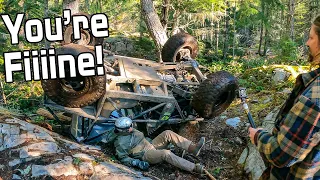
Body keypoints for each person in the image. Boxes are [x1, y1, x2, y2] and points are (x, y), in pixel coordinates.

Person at [248, 15, 320, 180]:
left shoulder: (315, 97)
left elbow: (281, 154)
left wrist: (258, 136)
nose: (308, 43)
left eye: (311, 37)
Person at [104, 117, 206, 174]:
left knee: (167, 133)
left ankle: (193, 148)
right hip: (145, 154)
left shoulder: (128, 131)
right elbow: (122, 157)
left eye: (131, 125)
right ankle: (193, 168)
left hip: (149, 144)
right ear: (124, 130)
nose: (132, 127)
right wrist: (136, 162)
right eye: (130, 126)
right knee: (165, 153)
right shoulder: (121, 142)